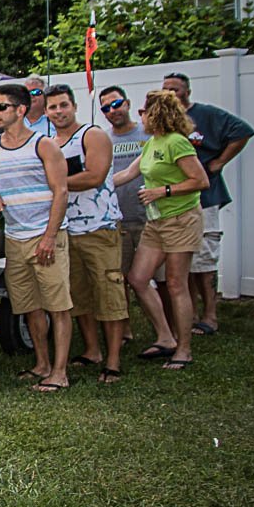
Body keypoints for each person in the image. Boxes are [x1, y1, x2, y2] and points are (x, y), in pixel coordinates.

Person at [0, 83, 72, 392]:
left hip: (45, 235)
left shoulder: (44, 145)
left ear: (20, 110)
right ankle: (42, 364)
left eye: (1, 107)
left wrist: (49, 237)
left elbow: (61, 191)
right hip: (14, 237)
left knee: (58, 307)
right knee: (29, 306)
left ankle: (59, 372)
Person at [113, 90, 209, 370]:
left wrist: (162, 191)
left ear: (157, 113)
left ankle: (184, 349)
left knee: (177, 283)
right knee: (138, 278)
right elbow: (127, 174)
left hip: (181, 219)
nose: (140, 116)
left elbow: (200, 180)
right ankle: (165, 337)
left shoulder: (177, 143)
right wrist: (88, 184)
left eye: (144, 111)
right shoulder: (151, 143)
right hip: (156, 223)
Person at [161, 72, 254, 335]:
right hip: (174, 202)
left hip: (205, 197)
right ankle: (188, 314)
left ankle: (210, 314)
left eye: (176, 89)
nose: (170, 93)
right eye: (166, 88)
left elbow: (243, 131)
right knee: (182, 261)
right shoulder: (166, 122)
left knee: (205, 259)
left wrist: (219, 161)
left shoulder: (207, 115)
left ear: (187, 91)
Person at [45, 86, 127, 384]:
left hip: (99, 227)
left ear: (74, 106)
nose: (58, 111)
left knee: (109, 294)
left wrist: (54, 182)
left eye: (63, 105)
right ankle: (92, 351)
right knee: (78, 295)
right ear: (46, 111)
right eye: (52, 107)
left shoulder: (92, 135)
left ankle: (114, 361)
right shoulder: (49, 143)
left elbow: (95, 174)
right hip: (66, 229)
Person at [100, 86, 147, 342]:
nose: (112, 111)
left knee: (162, 280)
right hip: (119, 218)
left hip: (150, 216)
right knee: (122, 278)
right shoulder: (103, 139)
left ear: (127, 103)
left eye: (116, 104)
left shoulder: (148, 133)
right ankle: (126, 330)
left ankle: (169, 329)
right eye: (106, 108)